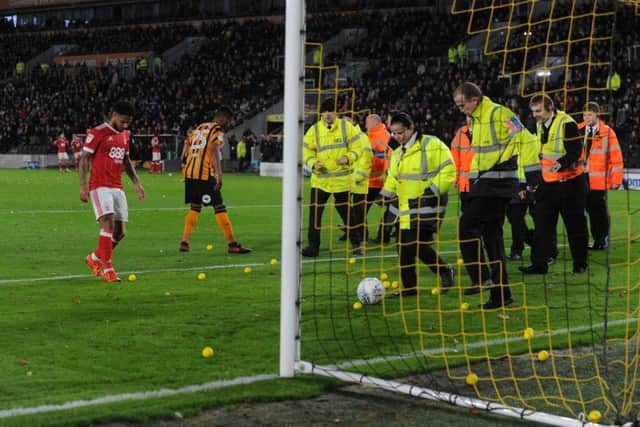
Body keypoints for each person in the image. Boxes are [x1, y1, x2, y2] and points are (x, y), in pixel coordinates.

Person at [452, 82, 541, 309]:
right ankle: (501, 294)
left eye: (462, 104)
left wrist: (532, 177)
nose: (460, 109)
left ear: (474, 99)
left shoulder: (499, 114)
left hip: (498, 185)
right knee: (493, 237)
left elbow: (526, 139)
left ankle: (482, 278)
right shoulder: (478, 119)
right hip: (486, 184)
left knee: (466, 226)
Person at [378, 112, 456, 296]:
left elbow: (449, 168)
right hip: (405, 207)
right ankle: (410, 288)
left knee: (415, 243)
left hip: (429, 204)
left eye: (400, 132)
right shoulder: (397, 153)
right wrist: (384, 195)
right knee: (402, 246)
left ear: (411, 128)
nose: (397, 137)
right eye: (394, 133)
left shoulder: (432, 144)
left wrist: (433, 190)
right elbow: (393, 179)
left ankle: (444, 270)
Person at [520, 94, 588, 275]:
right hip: (548, 183)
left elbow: (576, 150)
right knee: (542, 225)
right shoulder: (539, 123)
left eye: (538, 111)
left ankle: (580, 264)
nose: (535, 115)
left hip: (570, 183)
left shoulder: (567, 123)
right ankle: (539, 264)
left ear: (550, 109)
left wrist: (562, 163)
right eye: (533, 111)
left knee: (575, 225)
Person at [80, 101, 145, 283]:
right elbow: (84, 158)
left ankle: (94, 258)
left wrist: (137, 184)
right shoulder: (98, 132)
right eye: (123, 121)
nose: (125, 125)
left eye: (128, 122)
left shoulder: (125, 135)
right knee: (107, 223)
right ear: (114, 115)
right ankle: (108, 268)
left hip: (117, 186)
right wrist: (83, 186)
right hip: (99, 185)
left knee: (120, 233)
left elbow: (126, 160)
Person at [179, 107, 251, 254]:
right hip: (204, 174)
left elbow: (186, 144)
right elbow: (213, 150)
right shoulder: (217, 130)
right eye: (229, 120)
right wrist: (219, 175)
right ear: (223, 118)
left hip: (190, 173)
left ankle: (184, 242)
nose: (229, 123)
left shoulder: (200, 127)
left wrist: (184, 160)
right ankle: (232, 244)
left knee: (195, 207)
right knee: (219, 207)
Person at [301, 98, 367, 257]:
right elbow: (305, 150)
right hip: (320, 181)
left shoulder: (347, 127)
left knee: (347, 214)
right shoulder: (314, 130)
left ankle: (356, 244)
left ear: (336, 112)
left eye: (330, 111)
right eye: (324, 111)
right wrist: (312, 163)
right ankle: (313, 247)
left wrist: (348, 157)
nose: (327, 114)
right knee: (315, 215)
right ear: (321, 113)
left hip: (341, 182)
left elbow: (358, 148)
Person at [578, 102, 624, 250]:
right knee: (584, 210)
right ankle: (591, 239)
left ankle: (601, 239)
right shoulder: (577, 130)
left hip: (598, 181)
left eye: (589, 114)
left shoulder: (607, 132)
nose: (587, 117)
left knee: (597, 210)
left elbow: (616, 158)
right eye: (584, 115)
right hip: (580, 178)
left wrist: (616, 180)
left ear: (597, 115)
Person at [364, 114, 393, 244]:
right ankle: (383, 236)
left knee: (361, 209)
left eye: (367, 122)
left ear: (375, 123)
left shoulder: (379, 137)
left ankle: (361, 236)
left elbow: (383, 158)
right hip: (380, 180)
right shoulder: (377, 135)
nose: (365, 125)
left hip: (376, 180)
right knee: (392, 209)